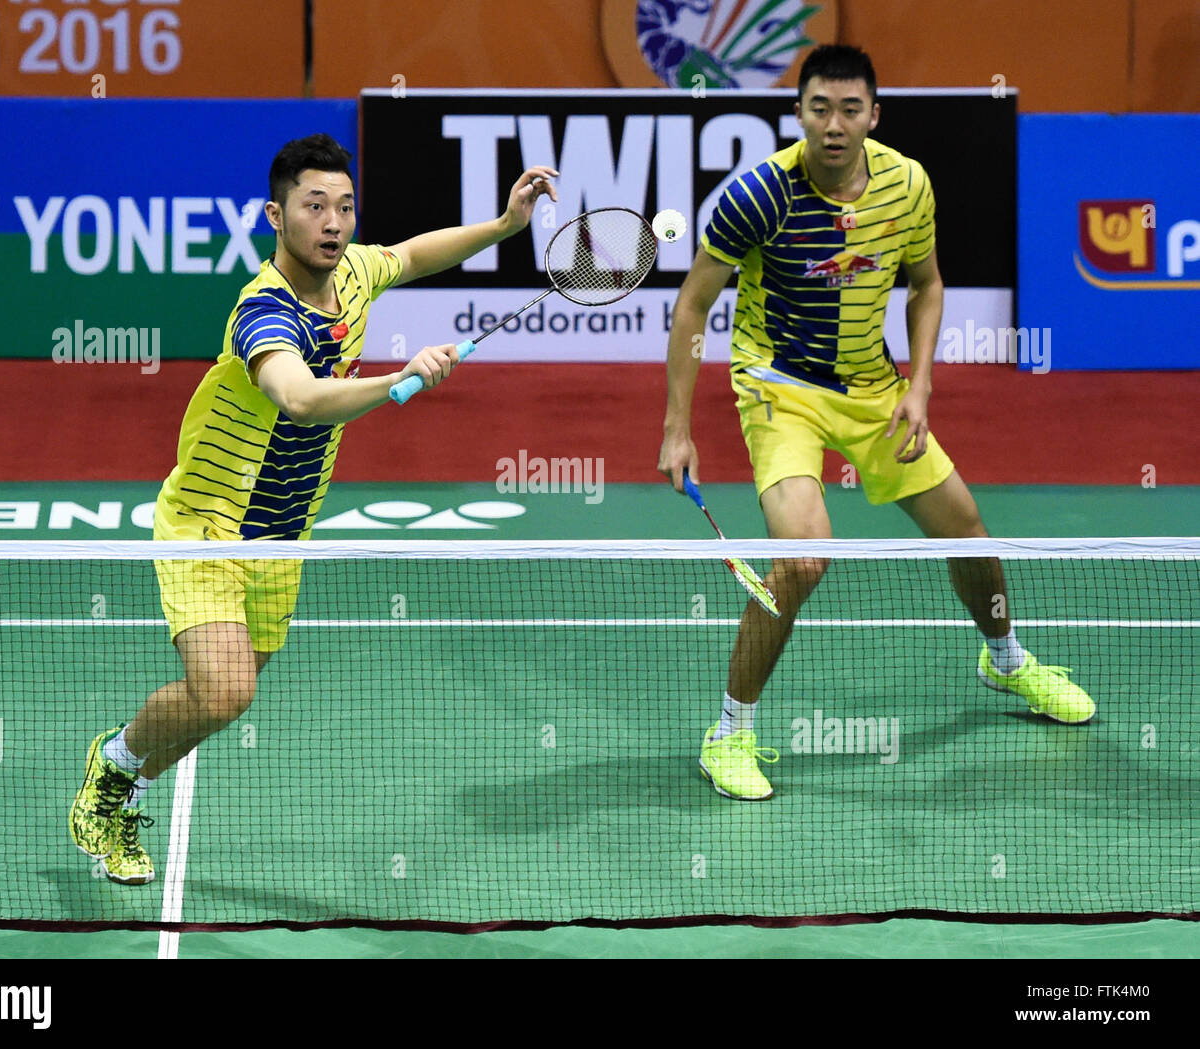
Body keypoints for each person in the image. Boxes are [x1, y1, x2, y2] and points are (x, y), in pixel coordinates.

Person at [70, 133, 558, 880]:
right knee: (226, 690)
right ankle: (114, 764)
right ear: (276, 214)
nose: (334, 223)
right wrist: (398, 379)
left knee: (233, 687)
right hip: (210, 523)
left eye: (345, 206)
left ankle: (127, 782)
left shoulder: (355, 273)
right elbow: (298, 399)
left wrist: (502, 226)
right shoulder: (264, 311)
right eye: (314, 206)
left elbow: (414, 254)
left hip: (284, 533)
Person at [656, 45, 1094, 802]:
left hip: (872, 386)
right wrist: (676, 425)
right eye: (820, 108)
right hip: (779, 387)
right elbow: (693, 305)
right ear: (798, 113)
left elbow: (926, 284)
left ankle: (1007, 659)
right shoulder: (757, 195)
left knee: (968, 531)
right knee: (801, 562)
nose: (834, 125)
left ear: (874, 116)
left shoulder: (907, 184)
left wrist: (919, 386)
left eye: (850, 109)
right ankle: (728, 732)